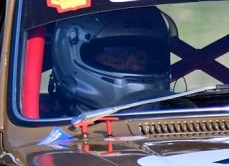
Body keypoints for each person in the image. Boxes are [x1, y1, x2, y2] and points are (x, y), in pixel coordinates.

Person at [49, 6, 177, 114]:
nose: (137, 66)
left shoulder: (183, 113)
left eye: (145, 57)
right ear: (69, 54)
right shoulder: (41, 134)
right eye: (117, 55)